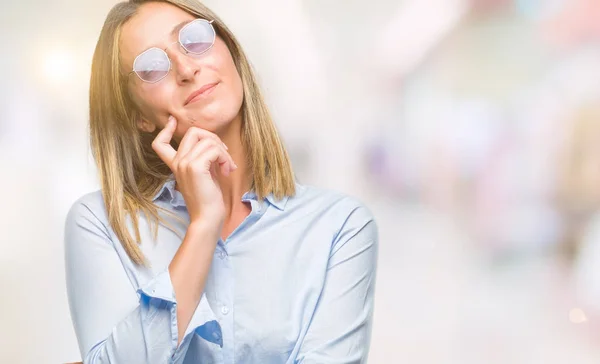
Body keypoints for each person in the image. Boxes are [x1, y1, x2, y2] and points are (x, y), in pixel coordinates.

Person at [64, 1, 379, 363]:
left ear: (229, 50)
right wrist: (203, 226)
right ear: (138, 116)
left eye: (194, 39)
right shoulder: (100, 223)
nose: (186, 68)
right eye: (152, 67)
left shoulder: (340, 227)